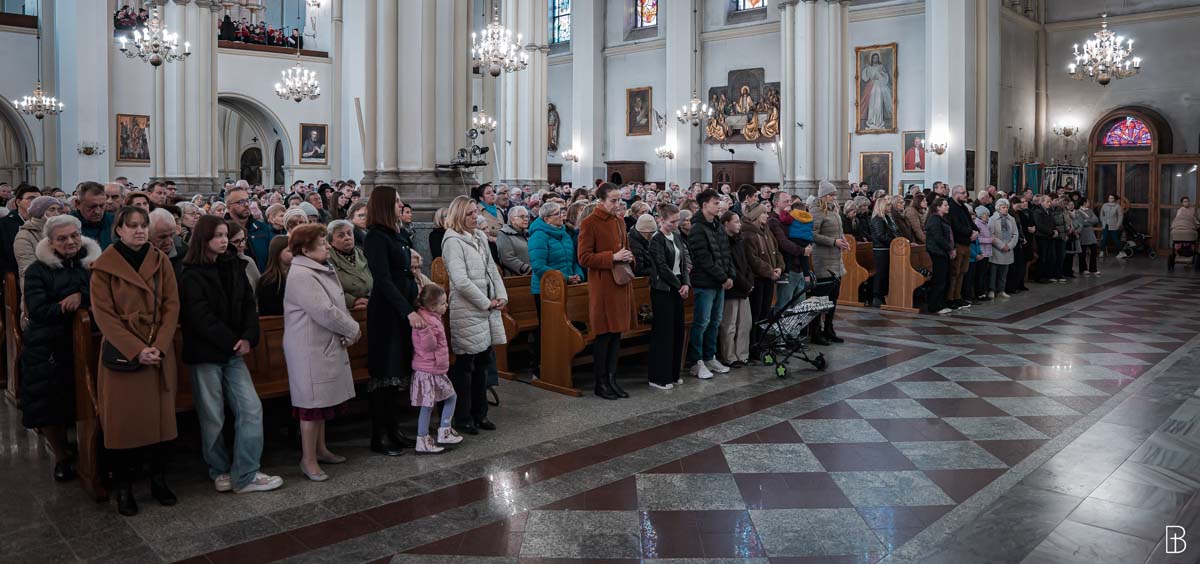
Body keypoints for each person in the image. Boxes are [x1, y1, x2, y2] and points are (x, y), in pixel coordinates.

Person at [179, 215, 282, 494]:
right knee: (212, 416)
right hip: (206, 353)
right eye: (217, 236)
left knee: (251, 408)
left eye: (226, 235)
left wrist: (248, 336)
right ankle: (219, 468)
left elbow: (248, 304)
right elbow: (200, 316)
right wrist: (233, 340)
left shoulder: (235, 265)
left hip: (234, 351)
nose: (224, 240)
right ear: (203, 239)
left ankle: (246, 473)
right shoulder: (190, 273)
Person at [89, 206, 180, 516]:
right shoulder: (104, 266)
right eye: (132, 226)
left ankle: (158, 480)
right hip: (124, 354)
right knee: (124, 427)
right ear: (119, 230)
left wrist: (160, 346)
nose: (140, 230)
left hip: (157, 349)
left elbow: (171, 306)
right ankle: (124, 488)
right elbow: (104, 316)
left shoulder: (160, 260)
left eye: (143, 225)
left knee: (160, 424)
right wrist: (137, 349)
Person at [20, 215, 98, 482]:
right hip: (49, 343)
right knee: (50, 402)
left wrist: (81, 297)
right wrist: (67, 307)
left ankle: (91, 451)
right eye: (62, 238)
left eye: (74, 236)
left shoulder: (92, 263)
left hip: (87, 339)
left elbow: (104, 293)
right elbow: (37, 310)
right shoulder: (38, 270)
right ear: (51, 242)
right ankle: (62, 455)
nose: (70, 242)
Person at [282, 224, 360, 480]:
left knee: (321, 402)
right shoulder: (302, 275)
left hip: (321, 345)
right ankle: (308, 460)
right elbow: (325, 311)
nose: (327, 246)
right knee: (311, 406)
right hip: (309, 349)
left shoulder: (317, 267)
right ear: (306, 250)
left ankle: (321, 449)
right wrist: (352, 328)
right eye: (322, 243)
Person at [442, 195, 508, 428]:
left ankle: (481, 414)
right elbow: (460, 280)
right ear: (458, 215)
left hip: (486, 308)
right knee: (466, 366)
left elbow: (492, 270)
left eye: (475, 212)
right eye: (469, 213)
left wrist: (501, 296)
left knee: (483, 363)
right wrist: (486, 302)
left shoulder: (479, 236)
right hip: (467, 309)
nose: (474, 216)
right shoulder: (452, 240)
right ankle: (463, 417)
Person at [363, 187, 419, 455]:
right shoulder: (376, 237)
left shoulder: (397, 234)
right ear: (385, 205)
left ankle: (394, 429)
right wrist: (407, 311)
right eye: (396, 201)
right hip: (386, 312)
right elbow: (383, 280)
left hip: (401, 307)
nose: (400, 204)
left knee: (397, 373)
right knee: (385, 375)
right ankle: (380, 435)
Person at [578, 183, 635, 398]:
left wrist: (629, 256)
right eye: (613, 200)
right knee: (604, 336)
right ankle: (600, 383)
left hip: (619, 284)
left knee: (616, 335)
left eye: (619, 199)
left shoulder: (619, 221)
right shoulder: (589, 223)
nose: (618, 204)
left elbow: (626, 248)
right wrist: (612, 257)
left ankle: (612, 379)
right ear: (601, 201)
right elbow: (584, 257)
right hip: (602, 286)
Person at [527, 202, 584, 379]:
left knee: (565, 326)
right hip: (545, 290)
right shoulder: (538, 236)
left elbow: (573, 260)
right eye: (557, 214)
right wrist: (565, 278)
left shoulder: (564, 234)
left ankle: (561, 365)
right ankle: (539, 366)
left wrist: (578, 275)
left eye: (561, 212)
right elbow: (538, 266)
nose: (562, 216)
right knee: (547, 328)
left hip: (566, 286)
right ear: (546, 219)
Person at [686, 189, 736, 379]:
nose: (719, 206)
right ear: (704, 205)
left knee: (715, 322)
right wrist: (723, 278)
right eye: (715, 203)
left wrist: (730, 275)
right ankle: (696, 361)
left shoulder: (717, 226)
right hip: (705, 283)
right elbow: (703, 259)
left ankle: (709, 357)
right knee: (702, 322)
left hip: (719, 282)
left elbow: (726, 253)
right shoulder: (697, 228)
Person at [409, 284, 463, 454]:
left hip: (435, 369)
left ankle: (444, 431)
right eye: (443, 303)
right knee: (428, 405)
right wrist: (425, 330)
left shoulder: (432, 317)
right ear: (432, 307)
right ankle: (422, 439)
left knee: (450, 396)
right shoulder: (425, 321)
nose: (446, 306)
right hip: (428, 371)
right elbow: (429, 346)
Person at [646, 204, 691, 390]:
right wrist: (679, 285)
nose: (675, 225)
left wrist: (686, 283)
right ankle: (658, 376)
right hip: (663, 289)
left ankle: (673, 373)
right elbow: (661, 266)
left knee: (677, 330)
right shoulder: (657, 240)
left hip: (678, 286)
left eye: (677, 221)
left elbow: (684, 263)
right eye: (672, 222)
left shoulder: (677, 236)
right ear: (661, 220)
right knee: (664, 333)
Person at [741, 203, 782, 360]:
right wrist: (770, 271)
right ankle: (753, 345)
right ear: (756, 216)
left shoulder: (767, 232)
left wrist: (779, 267)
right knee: (756, 313)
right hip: (757, 279)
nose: (767, 215)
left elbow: (776, 251)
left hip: (769, 278)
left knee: (765, 312)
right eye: (763, 213)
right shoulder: (748, 234)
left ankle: (761, 342)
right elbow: (753, 259)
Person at [810, 181, 848, 344]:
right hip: (823, 260)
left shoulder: (833, 210)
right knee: (821, 299)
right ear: (824, 196)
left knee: (833, 297)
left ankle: (829, 328)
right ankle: (816, 332)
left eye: (834, 194)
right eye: (831, 195)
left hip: (836, 261)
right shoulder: (816, 210)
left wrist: (844, 240)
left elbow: (839, 231)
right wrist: (833, 242)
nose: (834, 197)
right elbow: (812, 234)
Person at [718, 212, 753, 368]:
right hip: (732, 288)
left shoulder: (739, 240)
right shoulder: (722, 241)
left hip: (744, 288)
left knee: (745, 323)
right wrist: (745, 284)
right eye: (736, 221)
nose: (739, 224)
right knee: (729, 324)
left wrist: (750, 281)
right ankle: (729, 356)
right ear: (726, 223)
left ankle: (742, 354)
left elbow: (746, 263)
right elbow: (730, 267)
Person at [14, 196, 63, 291]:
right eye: (52, 209)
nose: (57, 214)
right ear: (39, 211)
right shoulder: (24, 236)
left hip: (62, 286)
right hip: (37, 289)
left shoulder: (59, 231)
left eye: (58, 210)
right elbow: (28, 270)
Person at [226, 184, 273, 271]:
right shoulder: (222, 231)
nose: (246, 205)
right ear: (229, 207)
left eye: (248, 200)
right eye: (241, 202)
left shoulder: (262, 228)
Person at [327, 220, 372, 309]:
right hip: (346, 307)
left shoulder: (362, 253)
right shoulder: (328, 258)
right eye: (341, 235)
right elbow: (330, 288)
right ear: (331, 241)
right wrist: (353, 301)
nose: (347, 238)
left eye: (349, 233)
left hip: (370, 301)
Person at [946, 186, 977, 307]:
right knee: (954, 272)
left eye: (965, 192)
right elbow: (955, 226)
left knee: (962, 272)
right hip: (957, 243)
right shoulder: (950, 206)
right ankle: (950, 298)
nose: (966, 195)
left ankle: (958, 296)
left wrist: (976, 231)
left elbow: (970, 222)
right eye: (963, 193)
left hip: (966, 243)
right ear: (955, 194)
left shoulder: (963, 206)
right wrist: (970, 233)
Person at [868, 196, 899, 308]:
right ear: (881, 206)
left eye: (890, 205)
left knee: (885, 274)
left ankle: (884, 295)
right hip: (880, 250)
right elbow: (880, 235)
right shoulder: (877, 219)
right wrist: (894, 241)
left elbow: (894, 232)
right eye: (887, 205)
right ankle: (877, 297)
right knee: (880, 274)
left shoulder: (887, 218)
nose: (890, 207)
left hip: (887, 249)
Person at [924, 197, 954, 315]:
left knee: (944, 279)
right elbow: (938, 238)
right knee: (939, 280)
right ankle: (934, 305)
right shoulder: (934, 219)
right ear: (938, 207)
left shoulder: (942, 219)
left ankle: (941, 303)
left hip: (943, 252)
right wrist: (950, 248)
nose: (948, 207)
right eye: (945, 205)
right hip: (937, 252)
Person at [988, 199, 1019, 299]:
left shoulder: (1011, 219)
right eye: (1003, 207)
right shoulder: (992, 219)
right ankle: (992, 290)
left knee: (1004, 272)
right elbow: (991, 234)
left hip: (1008, 249)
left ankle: (1001, 290)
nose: (1006, 209)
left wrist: (1009, 246)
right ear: (998, 208)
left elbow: (1015, 234)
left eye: (1007, 207)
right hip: (996, 249)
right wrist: (1001, 245)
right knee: (993, 272)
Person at [256, 236, 291, 316]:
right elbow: (270, 310)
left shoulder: (295, 275)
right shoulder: (268, 280)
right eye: (289, 251)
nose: (294, 254)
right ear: (278, 253)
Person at [496, 206, 533, 276]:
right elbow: (507, 258)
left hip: (533, 274)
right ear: (512, 220)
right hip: (516, 277)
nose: (526, 219)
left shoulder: (528, 233)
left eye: (527, 216)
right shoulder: (504, 234)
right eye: (522, 217)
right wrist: (527, 269)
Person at [1032, 195, 1059, 284]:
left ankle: (1046, 275)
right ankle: (1039, 276)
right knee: (1042, 257)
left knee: (1049, 257)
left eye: (1050, 201)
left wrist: (1055, 230)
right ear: (1042, 202)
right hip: (1041, 237)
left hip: (1049, 237)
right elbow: (1039, 225)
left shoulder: (1049, 211)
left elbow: (1053, 222)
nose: (1049, 203)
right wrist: (1051, 232)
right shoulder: (1037, 211)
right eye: (1047, 202)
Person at [226, 221, 261, 288]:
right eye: (236, 241)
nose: (242, 245)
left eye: (243, 240)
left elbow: (259, 287)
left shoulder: (248, 261)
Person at [1168, 197, 1199, 272]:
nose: (1187, 203)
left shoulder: (1192, 210)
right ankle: (1184, 253)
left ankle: (1189, 255)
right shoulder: (1180, 210)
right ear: (1182, 203)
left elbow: (1193, 219)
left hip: (1188, 227)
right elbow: (1177, 219)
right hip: (1182, 228)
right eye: (1185, 201)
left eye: (1188, 201)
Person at [972, 206, 993, 301]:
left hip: (987, 252)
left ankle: (983, 292)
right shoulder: (977, 224)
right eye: (986, 215)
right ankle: (979, 293)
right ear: (981, 215)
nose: (988, 217)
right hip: (981, 252)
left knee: (984, 274)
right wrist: (990, 240)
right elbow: (978, 239)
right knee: (980, 275)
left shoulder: (985, 224)